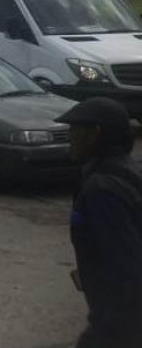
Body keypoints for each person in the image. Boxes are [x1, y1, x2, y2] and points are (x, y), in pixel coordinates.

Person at [59, 97, 142, 347]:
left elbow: (126, 265)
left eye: (75, 130)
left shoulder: (102, 189)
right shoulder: (128, 171)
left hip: (120, 321)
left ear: (95, 135)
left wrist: (109, 326)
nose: (70, 137)